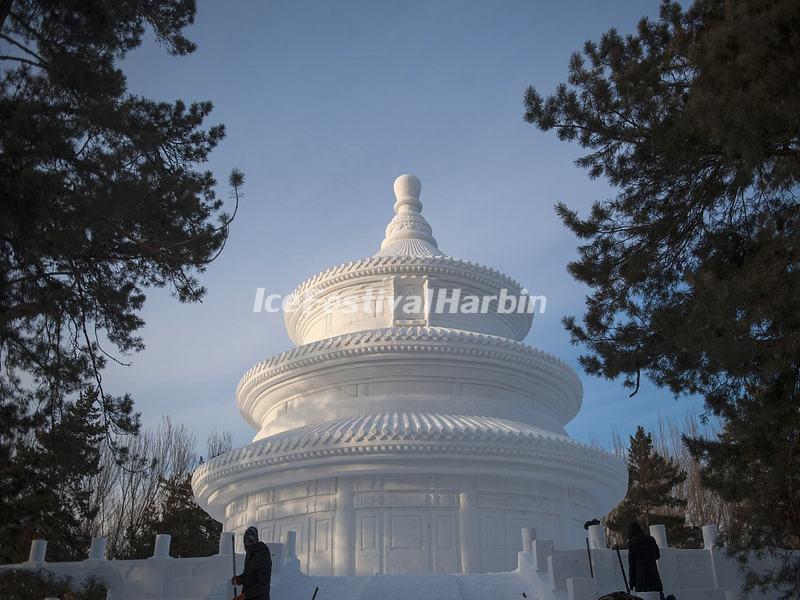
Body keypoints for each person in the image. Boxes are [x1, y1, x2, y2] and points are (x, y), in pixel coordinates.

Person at [231, 526, 272, 600]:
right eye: (245, 542)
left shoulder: (263, 554)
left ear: (255, 540)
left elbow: (263, 585)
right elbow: (251, 574)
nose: (247, 545)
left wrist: (244, 595)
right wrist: (240, 578)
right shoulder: (250, 552)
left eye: (249, 541)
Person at [627, 521, 665, 600]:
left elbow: (632, 565)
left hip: (641, 580)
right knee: (660, 597)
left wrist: (631, 583)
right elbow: (657, 556)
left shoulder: (632, 543)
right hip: (654, 577)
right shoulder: (651, 539)